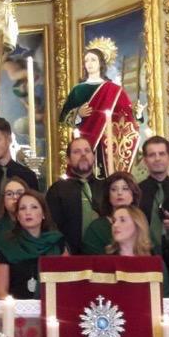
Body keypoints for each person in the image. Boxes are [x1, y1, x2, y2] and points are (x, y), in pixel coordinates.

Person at [58, 43, 137, 174]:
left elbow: (127, 115)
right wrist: (78, 114)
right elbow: (63, 118)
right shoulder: (78, 90)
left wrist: (137, 114)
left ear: (101, 63)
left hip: (107, 141)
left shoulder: (114, 90)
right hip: (84, 140)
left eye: (93, 60)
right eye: (86, 60)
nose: (89, 63)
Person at [0, 189, 67, 299]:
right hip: (17, 307)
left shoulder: (57, 243)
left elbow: (67, 284)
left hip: (51, 305)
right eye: (23, 208)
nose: (28, 212)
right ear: (17, 216)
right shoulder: (5, 247)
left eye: (34, 207)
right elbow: (1, 292)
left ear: (43, 214)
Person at [46, 136, 105, 254]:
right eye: (77, 152)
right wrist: (61, 248)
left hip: (102, 254)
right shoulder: (57, 190)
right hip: (68, 255)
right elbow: (51, 225)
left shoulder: (106, 187)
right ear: (68, 159)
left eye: (87, 151)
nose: (83, 155)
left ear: (93, 157)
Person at [105, 204, 169, 294]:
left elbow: (165, 297)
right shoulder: (106, 263)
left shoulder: (155, 264)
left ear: (137, 225)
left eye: (122, 220)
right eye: (114, 221)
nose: (115, 225)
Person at [82, 171, 141, 254]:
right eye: (114, 189)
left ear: (134, 194)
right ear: (108, 196)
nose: (119, 193)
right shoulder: (96, 228)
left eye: (125, 188)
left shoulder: (141, 223)